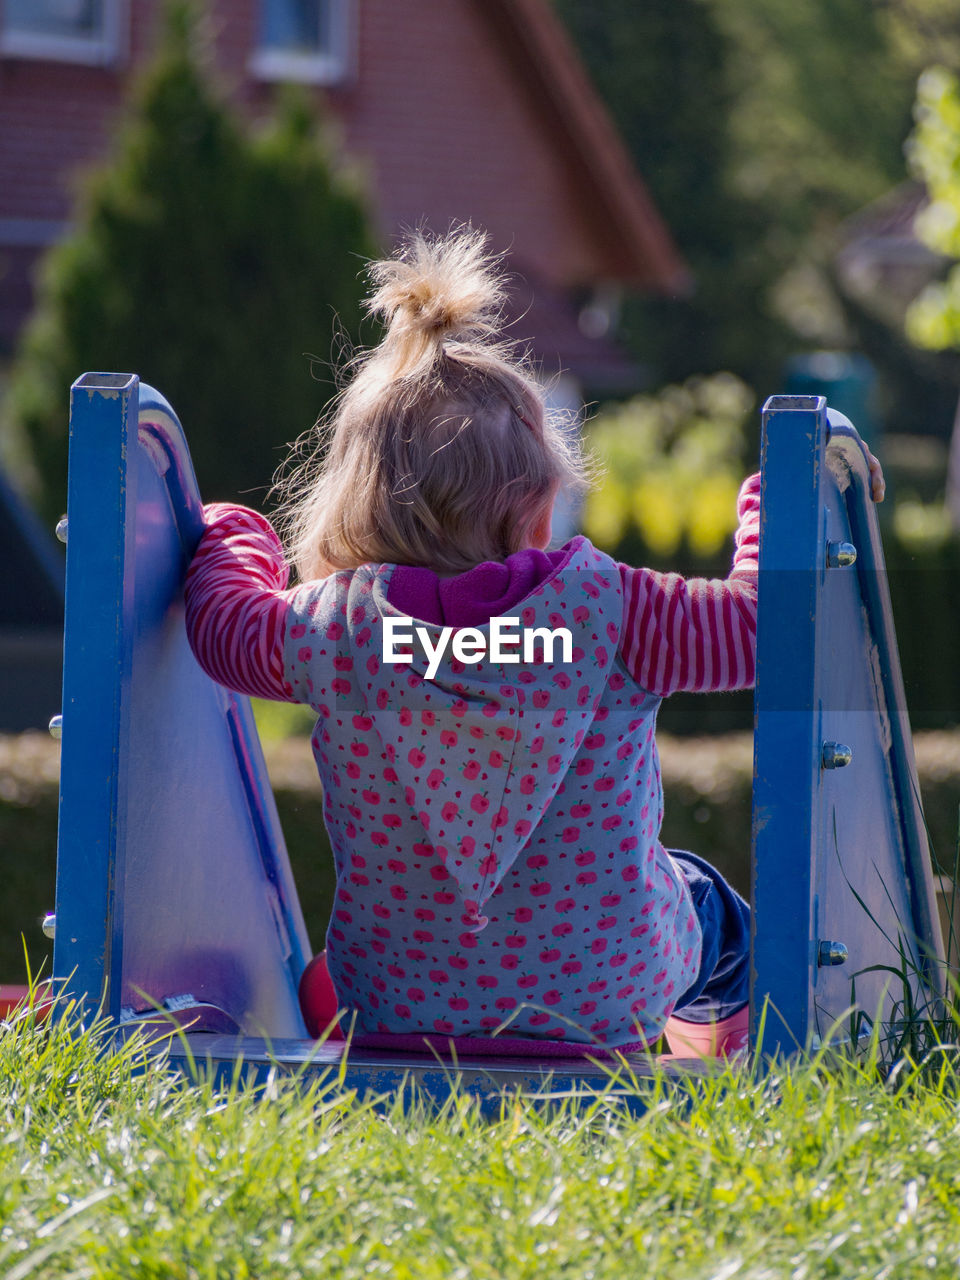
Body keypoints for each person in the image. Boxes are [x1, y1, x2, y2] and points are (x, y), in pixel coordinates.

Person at [185, 226, 883, 1057]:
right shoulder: (616, 615)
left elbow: (222, 630)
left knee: (372, 939)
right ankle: (711, 1052)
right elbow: (760, 630)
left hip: (400, 1003)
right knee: (708, 904)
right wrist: (781, 497)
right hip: (603, 996)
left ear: (355, 504)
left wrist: (231, 529)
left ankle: (374, 1000)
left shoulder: (333, 631)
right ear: (534, 506)